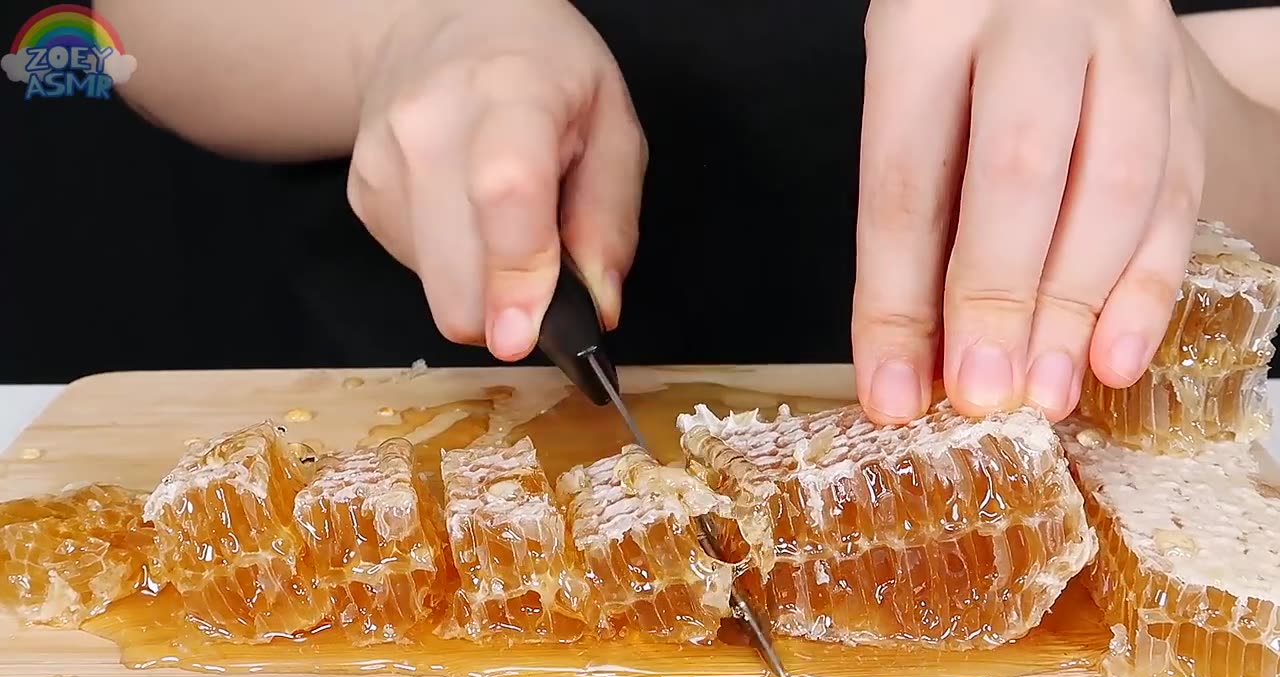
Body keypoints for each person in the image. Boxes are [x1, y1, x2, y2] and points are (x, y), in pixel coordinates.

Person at [96, 0, 1280, 425]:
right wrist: (402, 31)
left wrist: (1157, 117)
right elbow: (143, 24)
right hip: (398, 403)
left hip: (1063, 455)